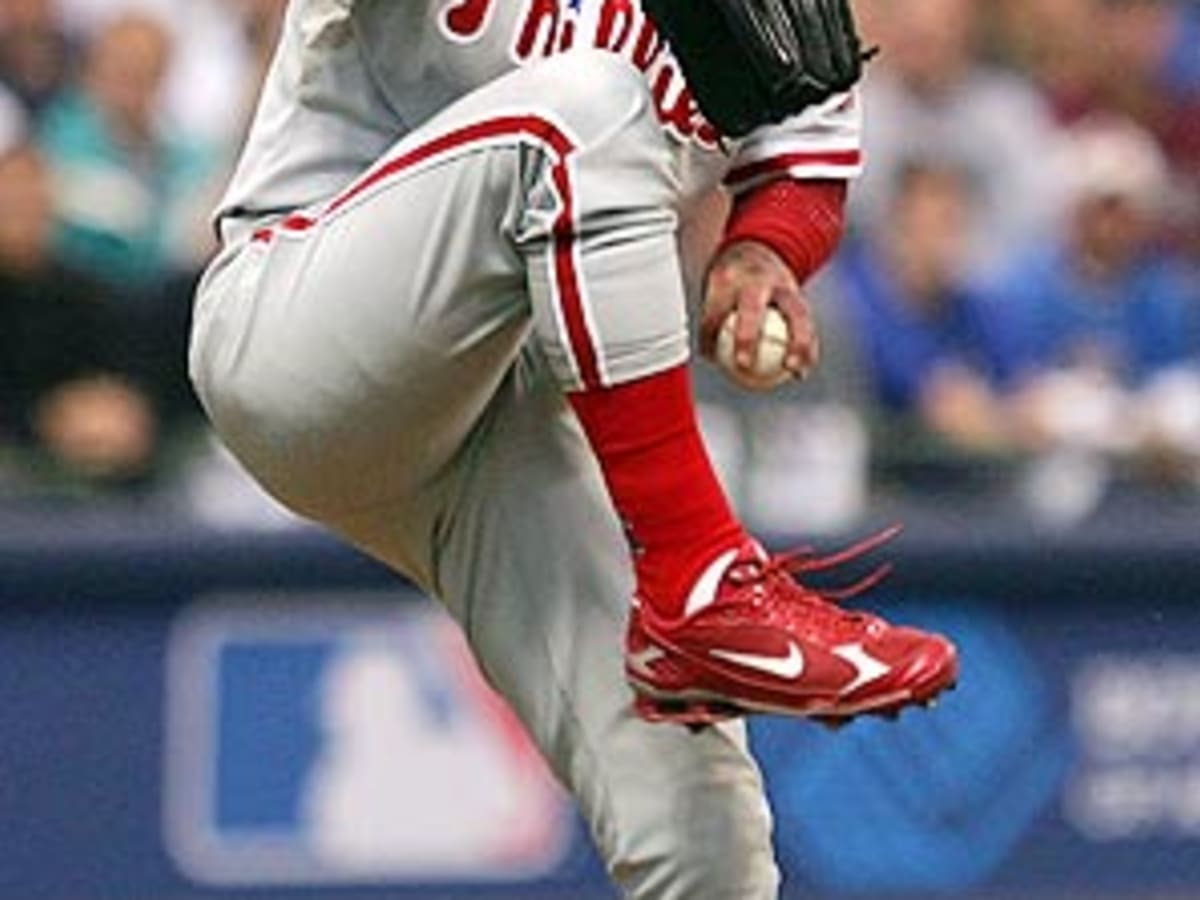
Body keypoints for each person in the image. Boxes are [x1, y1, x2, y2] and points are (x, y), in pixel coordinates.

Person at [188, 1, 958, 896]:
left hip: (502, 415)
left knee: (703, 825)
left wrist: (761, 254)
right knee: (582, 109)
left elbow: (805, 154)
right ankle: (700, 578)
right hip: (299, 326)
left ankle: (694, 608)